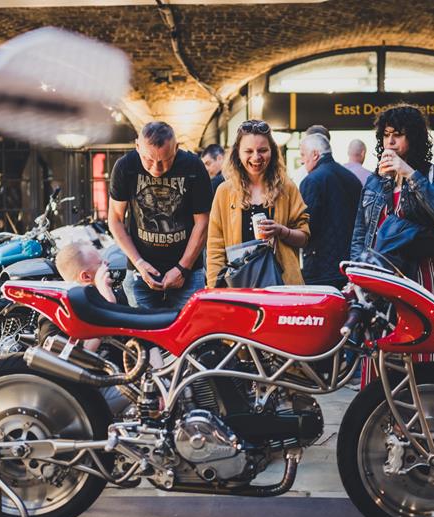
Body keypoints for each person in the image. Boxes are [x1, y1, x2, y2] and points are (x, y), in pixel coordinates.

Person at [350, 104, 434, 365]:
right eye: (386, 135)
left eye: (398, 134)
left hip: (420, 274)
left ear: (415, 138)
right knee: (380, 349)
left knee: (419, 346)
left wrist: (409, 173)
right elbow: (361, 234)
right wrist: (357, 275)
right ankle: (380, 405)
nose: (391, 141)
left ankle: (425, 401)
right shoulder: (375, 181)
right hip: (381, 276)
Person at [108, 121, 212, 309]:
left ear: (177, 148)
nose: (157, 168)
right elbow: (115, 219)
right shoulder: (125, 167)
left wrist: (182, 268)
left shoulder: (193, 167)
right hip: (141, 273)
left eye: (165, 159)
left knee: (189, 336)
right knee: (143, 336)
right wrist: (139, 263)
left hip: (187, 274)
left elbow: (202, 222)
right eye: (148, 159)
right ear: (137, 146)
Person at [207, 119, 310, 287]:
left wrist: (281, 231)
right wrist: (215, 289)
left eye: (263, 150)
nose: (256, 157)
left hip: (281, 284)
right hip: (237, 286)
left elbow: (304, 237)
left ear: (273, 152)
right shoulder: (224, 191)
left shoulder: (287, 188)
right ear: (237, 154)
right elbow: (215, 249)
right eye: (248, 151)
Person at [44, 241, 131, 414]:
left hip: (120, 379)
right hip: (82, 395)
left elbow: (141, 340)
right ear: (85, 277)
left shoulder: (114, 294)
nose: (107, 265)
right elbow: (75, 360)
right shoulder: (55, 313)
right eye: (100, 263)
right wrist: (107, 307)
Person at [298, 133, 362, 288]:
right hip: (349, 266)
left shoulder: (311, 180)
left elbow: (307, 226)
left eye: (303, 155)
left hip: (320, 268)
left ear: (315, 154)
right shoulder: (352, 178)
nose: (301, 160)